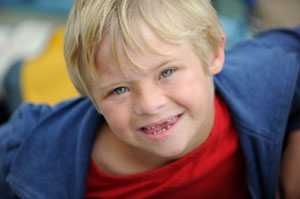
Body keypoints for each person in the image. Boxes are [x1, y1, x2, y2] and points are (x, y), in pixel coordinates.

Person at [0, 0, 299, 198]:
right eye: (119, 90)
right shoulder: (30, 147)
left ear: (214, 53)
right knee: (21, 82)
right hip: (36, 98)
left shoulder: (267, 73)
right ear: (91, 95)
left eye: (167, 72)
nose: (149, 104)